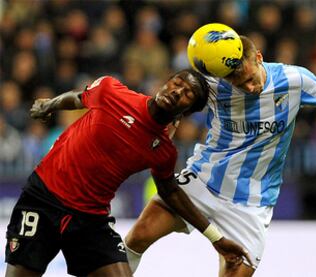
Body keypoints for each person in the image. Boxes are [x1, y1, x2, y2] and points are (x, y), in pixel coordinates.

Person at [124, 35, 316, 277]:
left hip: (251, 204)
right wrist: (166, 126)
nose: (248, 88)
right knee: (137, 237)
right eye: (239, 84)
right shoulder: (214, 86)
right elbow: (173, 104)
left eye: (249, 79)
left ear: (259, 57)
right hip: (202, 180)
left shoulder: (293, 79)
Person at [4, 69, 251, 277]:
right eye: (177, 83)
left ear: (187, 112)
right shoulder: (112, 91)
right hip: (43, 199)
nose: (177, 91)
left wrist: (215, 238)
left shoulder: (163, 151)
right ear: (165, 83)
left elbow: (170, 191)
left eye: (188, 94)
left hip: (90, 219)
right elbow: (79, 97)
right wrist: (50, 104)